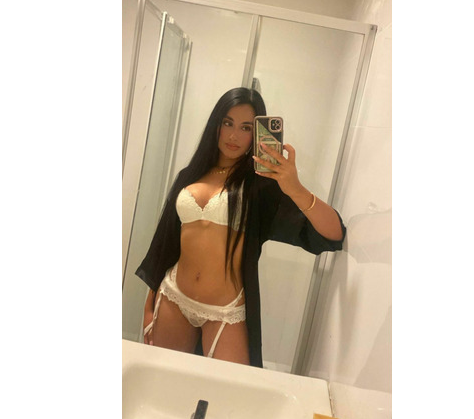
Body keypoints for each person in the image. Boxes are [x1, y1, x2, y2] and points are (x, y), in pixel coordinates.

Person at [135, 87, 346, 367]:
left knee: (228, 389)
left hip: (225, 312)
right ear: (216, 125)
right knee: (164, 380)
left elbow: (333, 234)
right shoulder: (190, 175)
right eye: (228, 123)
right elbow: (165, 242)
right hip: (173, 296)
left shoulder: (261, 187)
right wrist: (149, 306)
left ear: (256, 134)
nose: (234, 135)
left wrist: (294, 188)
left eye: (246, 127)